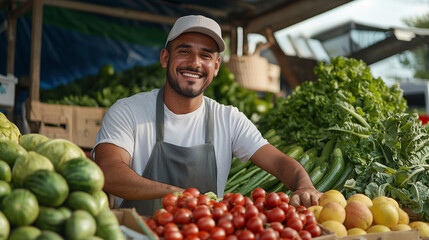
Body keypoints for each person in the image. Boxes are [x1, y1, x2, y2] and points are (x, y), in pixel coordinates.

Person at [93, 15, 321, 216]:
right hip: (139, 233)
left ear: (216, 66)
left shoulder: (228, 119)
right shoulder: (128, 112)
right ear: (165, 58)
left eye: (206, 55)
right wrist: (175, 194)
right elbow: (109, 171)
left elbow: (281, 163)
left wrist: (304, 185)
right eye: (184, 51)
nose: (195, 63)